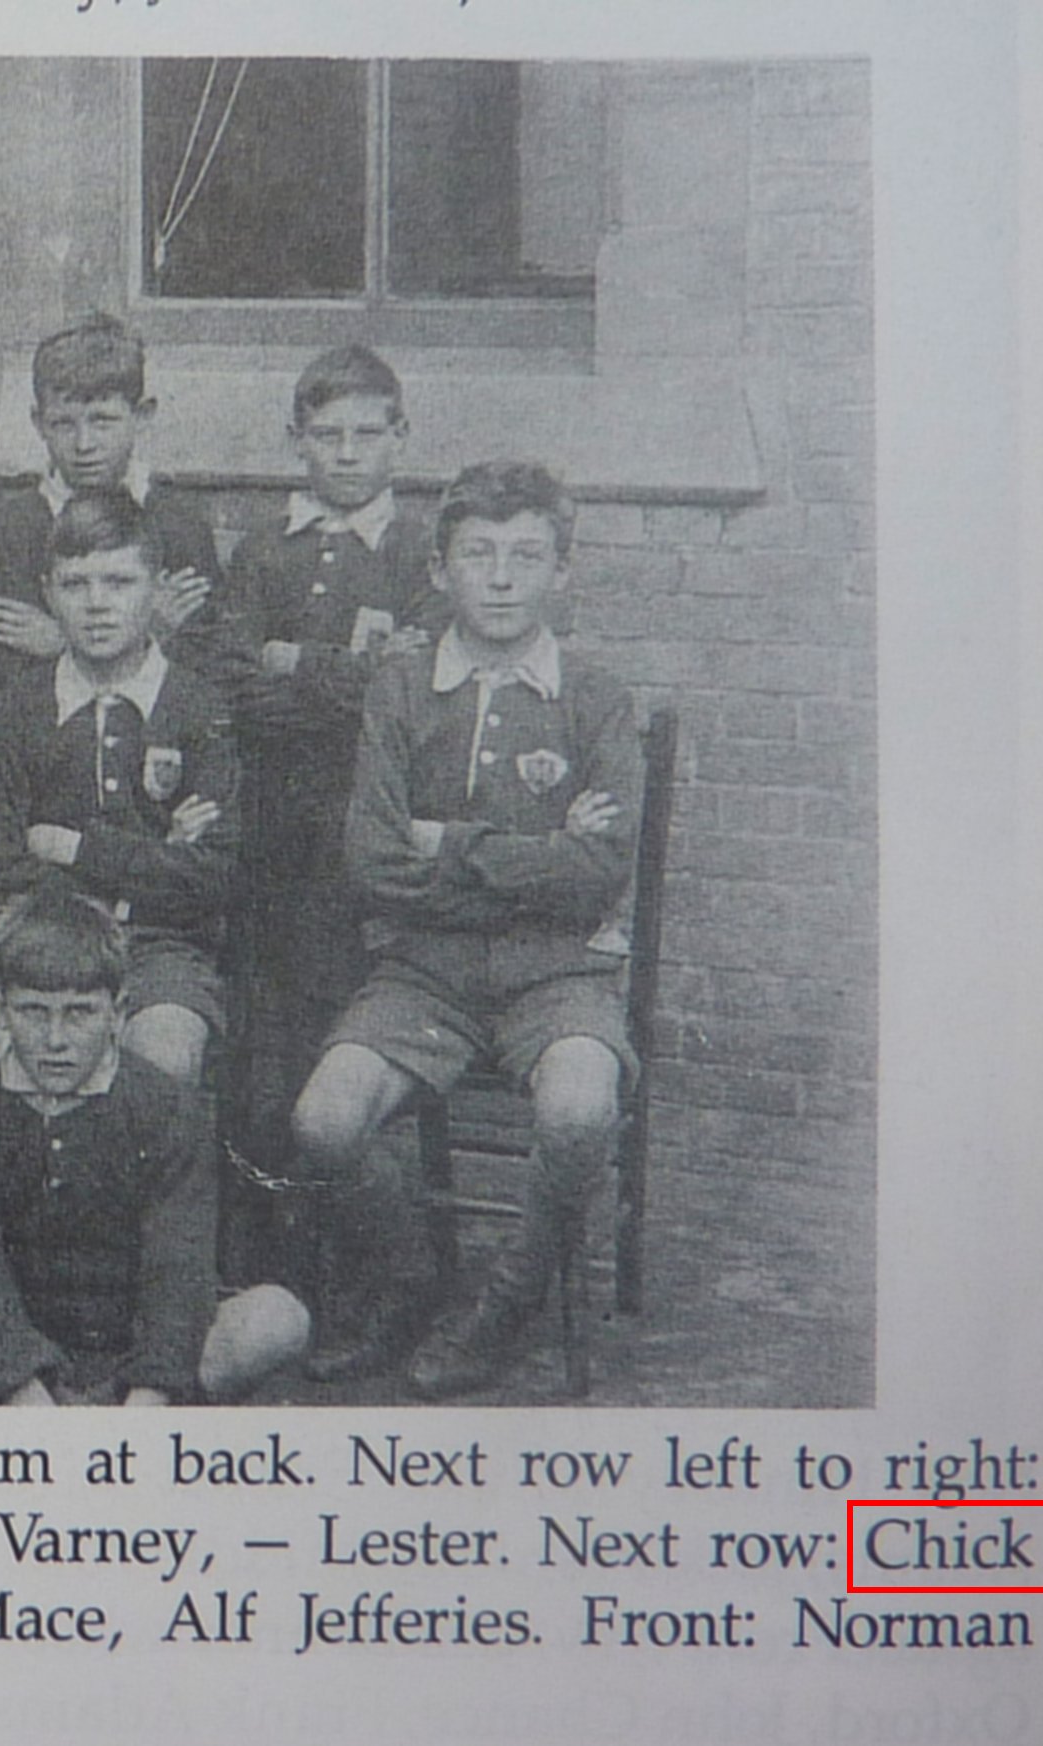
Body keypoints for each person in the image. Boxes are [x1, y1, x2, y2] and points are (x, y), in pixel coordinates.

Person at [290, 461, 643, 1398]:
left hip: (558, 978)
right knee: (322, 1122)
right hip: (423, 977)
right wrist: (536, 853)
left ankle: (505, 1304)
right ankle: (413, 1279)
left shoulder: (598, 699)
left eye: (526, 557)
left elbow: (601, 876)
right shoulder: (402, 690)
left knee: (578, 1108)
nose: (500, 577)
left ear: (561, 573)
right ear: (440, 568)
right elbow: (372, 863)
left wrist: (449, 843)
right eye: (477, 554)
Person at [0, 887, 310, 1406]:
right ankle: (38, 1417)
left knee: (278, 1317)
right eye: (34, 1011)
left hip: (132, 1343)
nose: (56, 1039)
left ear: (118, 1013)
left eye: (80, 1013)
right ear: (1, 1010)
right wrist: (24, 1394)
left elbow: (177, 1269)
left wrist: (150, 1393)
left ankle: (132, 1409)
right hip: (20, 1348)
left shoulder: (166, 1108)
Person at [221, 346, 446, 1198]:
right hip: (265, 833)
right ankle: (266, 1229)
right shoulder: (263, 551)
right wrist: (339, 675)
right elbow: (232, 682)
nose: (346, 453)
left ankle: (346, 1232)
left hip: (361, 838)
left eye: (366, 434)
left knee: (340, 1030)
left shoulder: (422, 557)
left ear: (400, 438)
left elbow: (401, 699)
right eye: (327, 435)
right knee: (260, 1034)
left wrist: (291, 660)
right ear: (296, 441)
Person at [0, 489, 240, 1089]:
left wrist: (73, 849)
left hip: (160, 951)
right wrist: (158, 856)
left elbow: (212, 876)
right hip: (42, 950)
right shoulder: (15, 711)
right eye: (75, 585)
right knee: (14, 1065)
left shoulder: (199, 709)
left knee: (163, 1057)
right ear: (47, 592)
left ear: (155, 590)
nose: (97, 605)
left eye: (119, 583)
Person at [0, 312, 230, 686]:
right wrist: (150, 628)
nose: (84, 444)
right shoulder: (16, 525)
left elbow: (202, 664)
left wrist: (61, 642)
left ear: (142, 415)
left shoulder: (179, 523)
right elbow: (8, 668)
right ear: (38, 422)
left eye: (103, 421)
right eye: (64, 423)